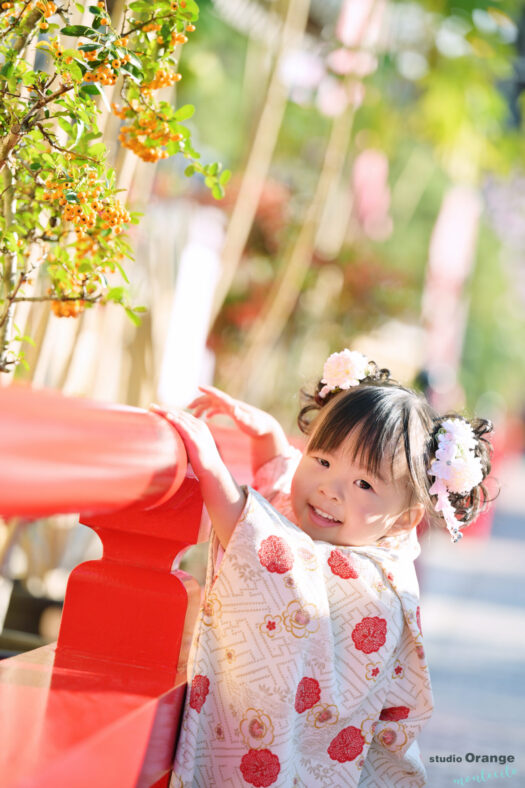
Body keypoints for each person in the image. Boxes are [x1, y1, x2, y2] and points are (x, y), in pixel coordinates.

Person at [151, 349, 493, 788]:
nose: (330, 489)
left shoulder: (377, 583)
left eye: (364, 483)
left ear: (405, 519)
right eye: (323, 460)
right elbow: (288, 519)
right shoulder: (358, 533)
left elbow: (281, 564)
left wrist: (213, 471)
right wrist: (271, 441)